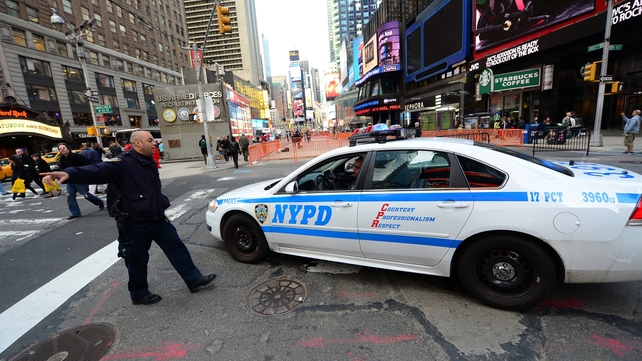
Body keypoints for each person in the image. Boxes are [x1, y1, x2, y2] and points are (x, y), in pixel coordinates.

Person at [41, 131, 216, 305]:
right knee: (136, 258)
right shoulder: (122, 163)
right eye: (150, 140)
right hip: (135, 221)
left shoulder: (148, 160)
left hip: (156, 216)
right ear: (137, 143)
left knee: (177, 247)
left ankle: (193, 280)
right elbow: (97, 170)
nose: (154, 143)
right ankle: (139, 293)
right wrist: (70, 174)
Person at [57, 142, 105, 219]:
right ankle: (75, 213)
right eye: (60, 149)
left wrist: (80, 171)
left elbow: (87, 162)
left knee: (86, 194)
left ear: (67, 148)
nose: (62, 149)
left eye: (63, 148)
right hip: (69, 181)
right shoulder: (62, 159)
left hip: (79, 179)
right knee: (70, 196)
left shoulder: (75, 156)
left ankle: (99, 202)